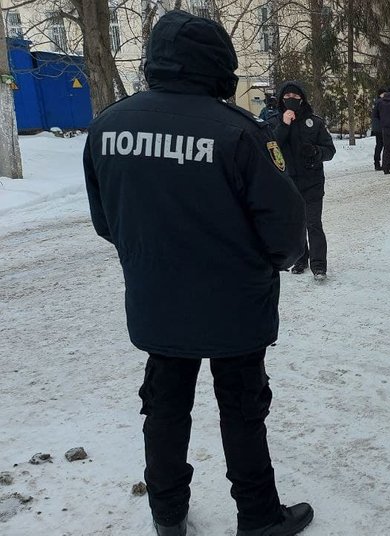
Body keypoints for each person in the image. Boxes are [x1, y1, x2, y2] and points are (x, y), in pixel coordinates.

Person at [82, 10, 313, 536]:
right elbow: (285, 222)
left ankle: (167, 514)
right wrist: (274, 262)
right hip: (235, 304)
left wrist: (152, 257)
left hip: (157, 300)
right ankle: (257, 517)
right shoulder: (238, 132)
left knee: (164, 409)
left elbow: (106, 221)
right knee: (242, 410)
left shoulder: (107, 127)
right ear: (218, 67)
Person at [268, 81, 336, 280]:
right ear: (281, 100)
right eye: (287, 97)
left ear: (302, 100)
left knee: (313, 224)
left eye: (296, 98)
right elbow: (270, 148)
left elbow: (330, 150)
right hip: (287, 182)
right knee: (295, 224)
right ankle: (301, 259)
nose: (291, 100)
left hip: (312, 181)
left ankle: (319, 265)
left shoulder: (314, 122)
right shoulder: (274, 122)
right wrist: (284, 125)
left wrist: (316, 152)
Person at [370, 87, 390, 171]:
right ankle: (378, 163)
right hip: (380, 126)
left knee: (382, 145)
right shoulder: (380, 102)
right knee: (381, 145)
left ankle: (382, 162)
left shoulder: (377, 101)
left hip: (377, 126)